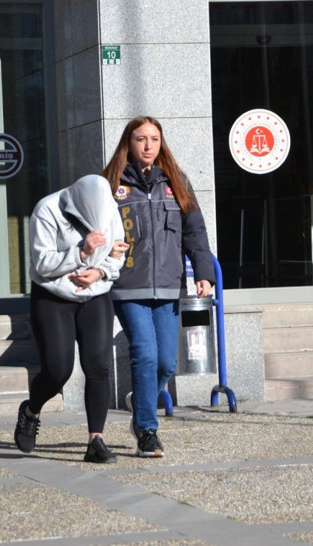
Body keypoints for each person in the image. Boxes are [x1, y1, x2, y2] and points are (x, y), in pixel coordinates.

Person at [100, 116, 215, 458]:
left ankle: (142, 399)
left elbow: (194, 231)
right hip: (128, 284)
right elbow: (93, 228)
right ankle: (147, 430)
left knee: (166, 362)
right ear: (129, 143)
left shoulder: (176, 181)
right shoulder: (110, 183)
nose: (148, 145)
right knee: (145, 354)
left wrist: (204, 273)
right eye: (141, 138)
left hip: (168, 285)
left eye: (154, 138)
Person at [14, 175, 128, 463]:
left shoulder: (109, 208)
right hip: (53, 295)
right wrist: (81, 253)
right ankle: (31, 410)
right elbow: (42, 263)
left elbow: (118, 251)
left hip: (95, 293)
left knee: (98, 366)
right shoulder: (47, 209)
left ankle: (95, 440)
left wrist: (100, 271)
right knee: (57, 370)